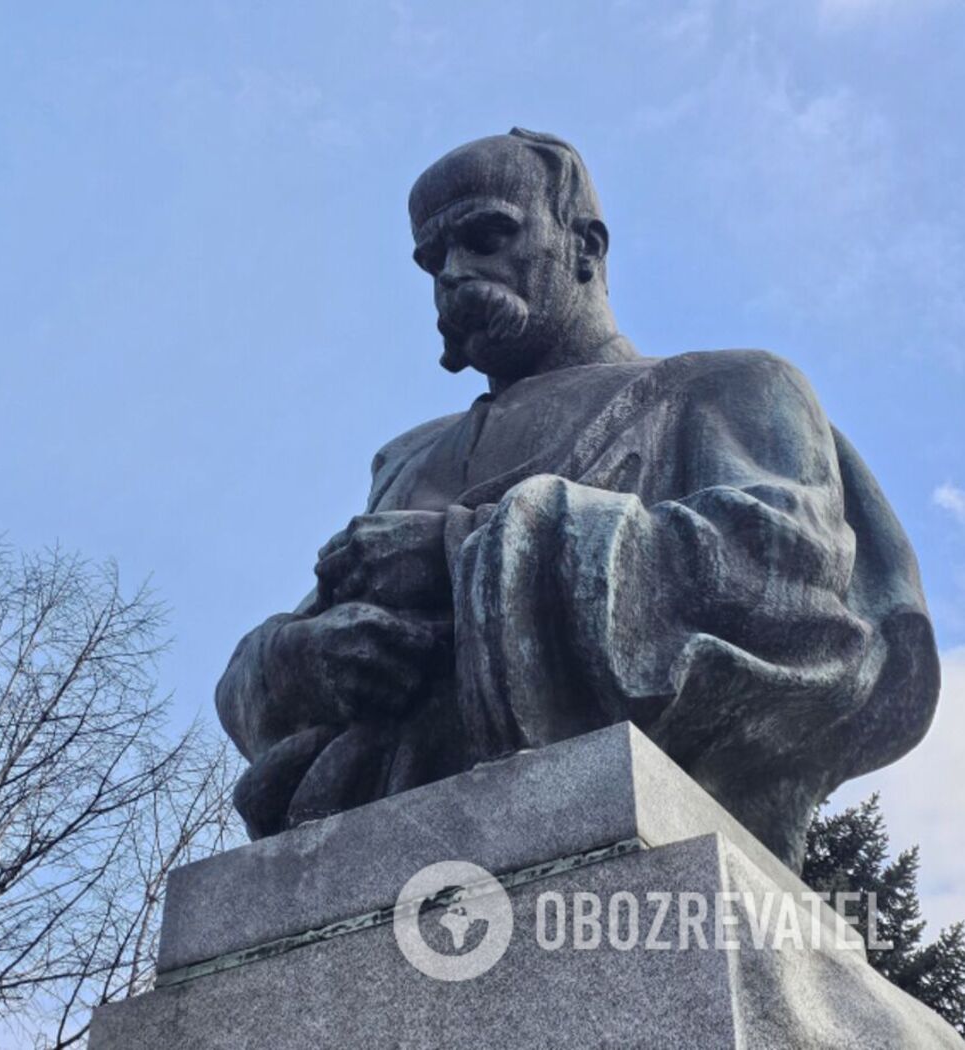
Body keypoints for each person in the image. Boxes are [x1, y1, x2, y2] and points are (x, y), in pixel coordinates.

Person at [215, 129, 939, 869]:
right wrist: (298, 658)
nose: (456, 272)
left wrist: (456, 553)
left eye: (487, 235)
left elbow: (792, 588)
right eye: (433, 260)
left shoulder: (731, 388)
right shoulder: (405, 459)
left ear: (585, 245)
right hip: (370, 865)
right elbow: (280, 654)